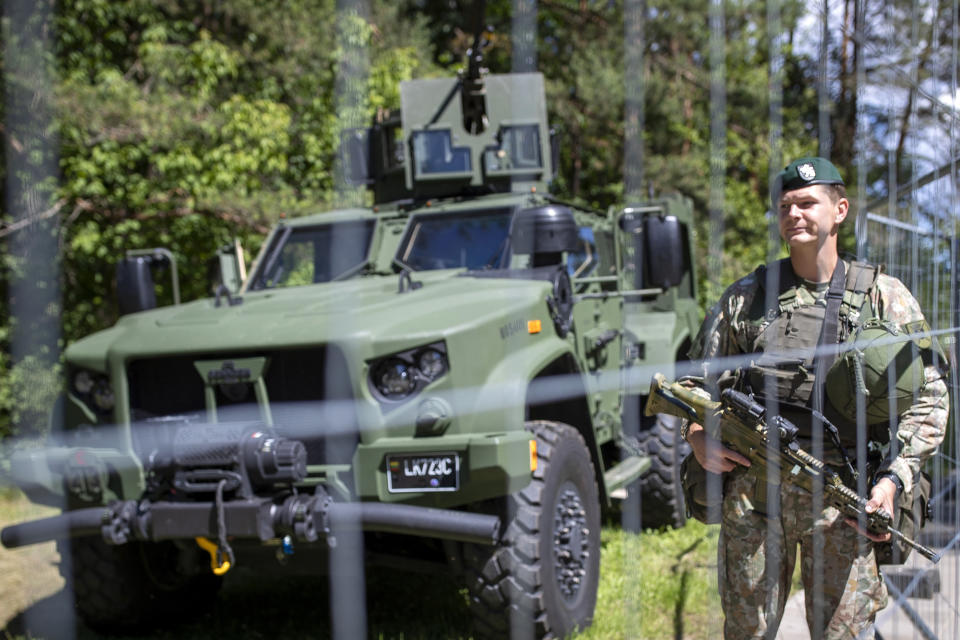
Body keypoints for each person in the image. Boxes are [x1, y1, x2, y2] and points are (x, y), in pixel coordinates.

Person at [682, 157, 950, 638]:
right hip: (753, 495)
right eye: (785, 205)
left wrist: (892, 482)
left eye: (808, 202)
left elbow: (931, 398)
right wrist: (697, 433)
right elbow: (695, 385)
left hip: (842, 499)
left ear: (840, 209)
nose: (794, 214)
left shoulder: (884, 299)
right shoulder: (746, 297)